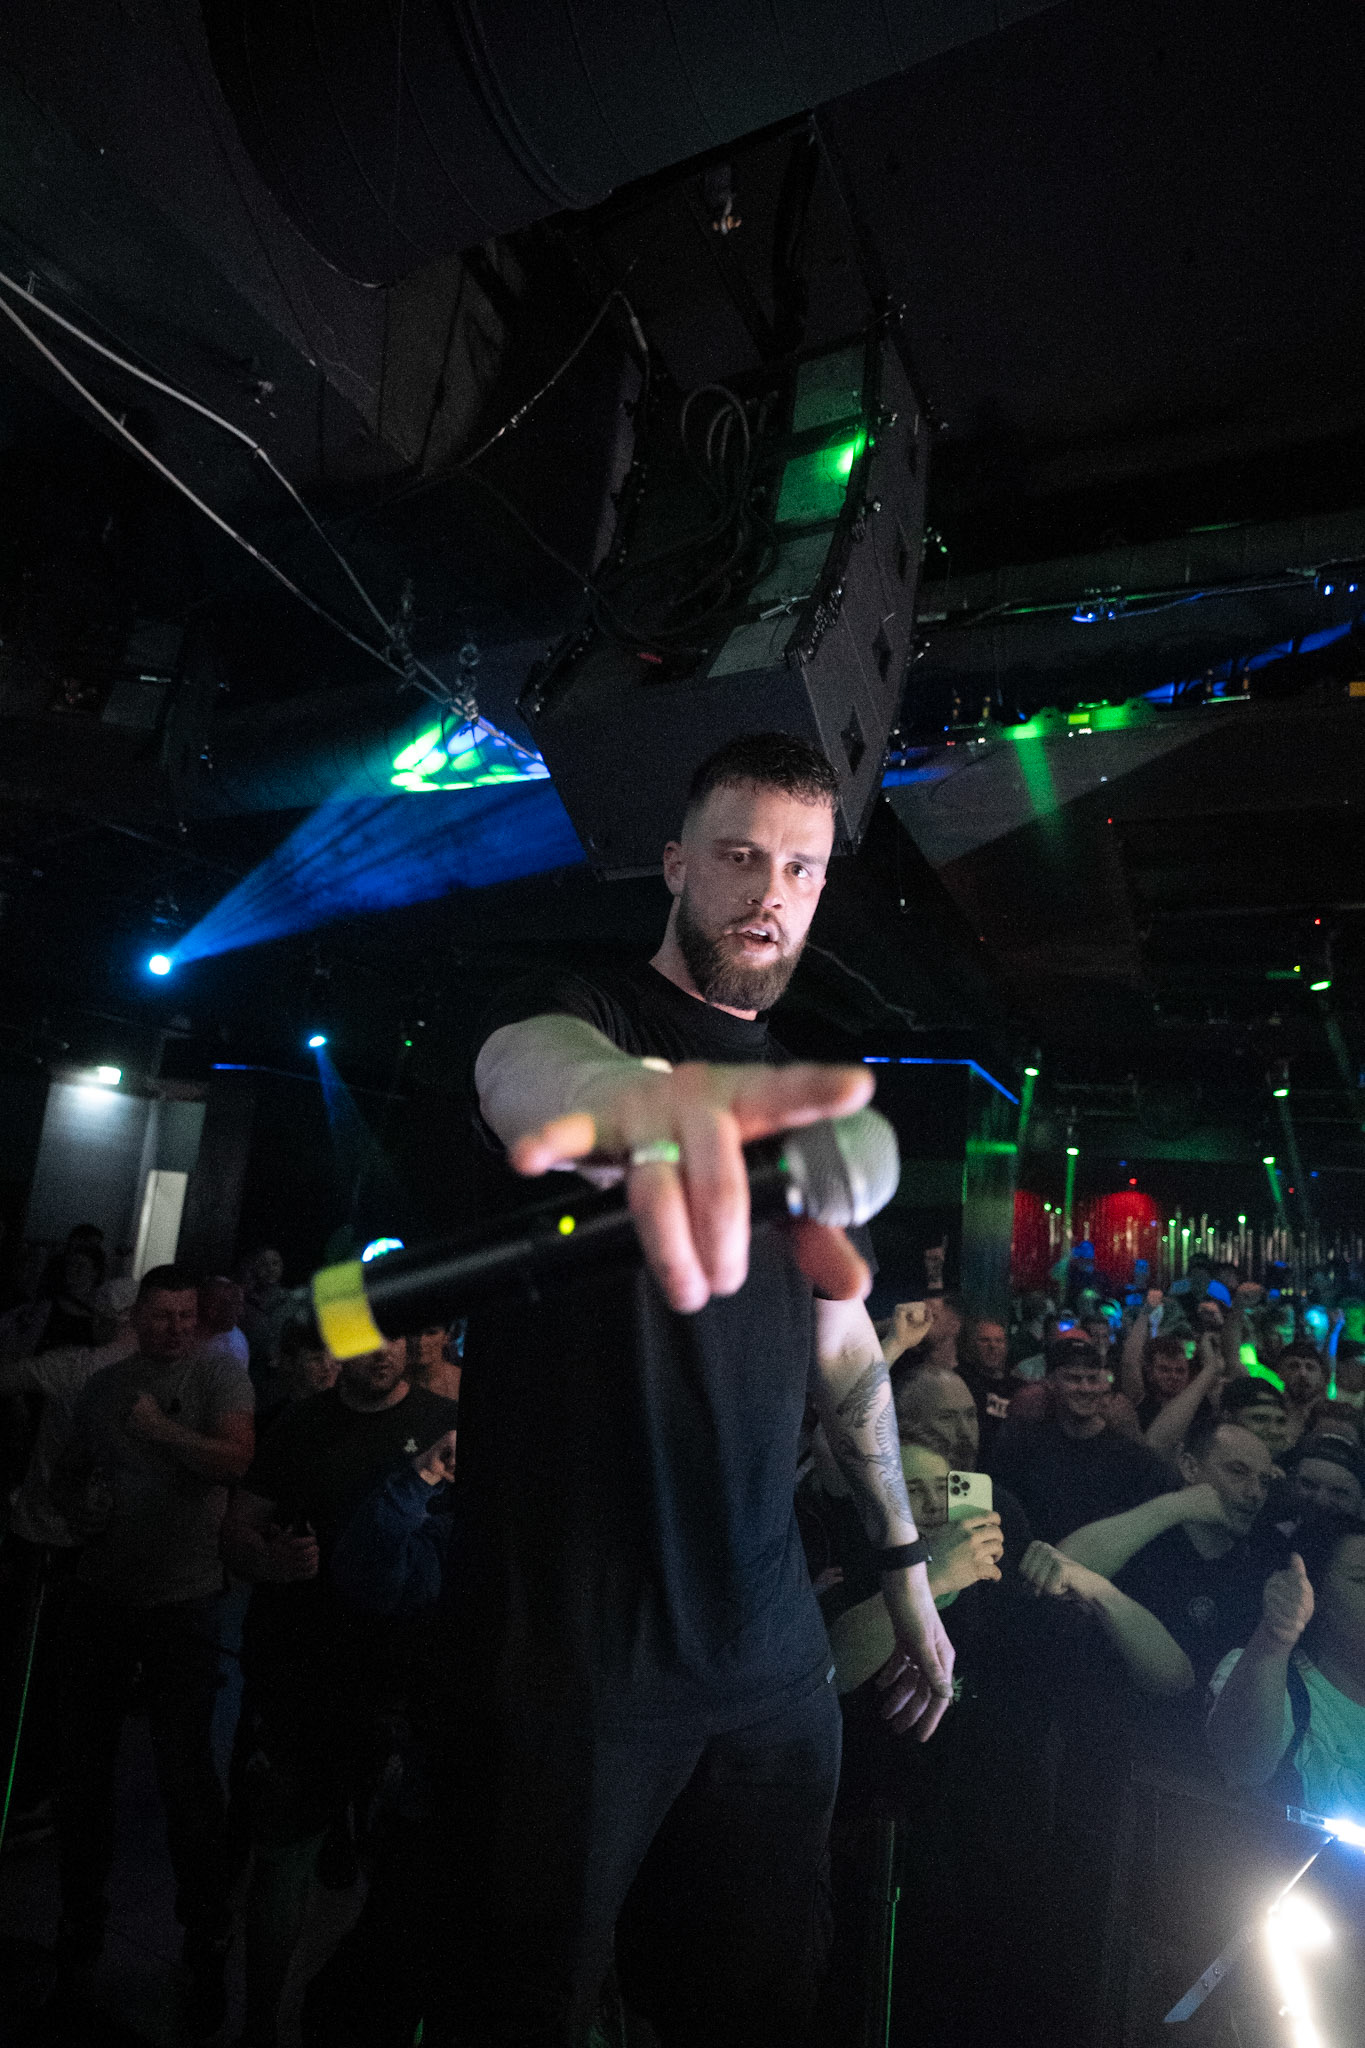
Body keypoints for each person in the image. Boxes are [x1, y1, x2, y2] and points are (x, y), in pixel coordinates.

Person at [459, 732, 952, 2046]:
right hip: (581, 1669)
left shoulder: (794, 1099)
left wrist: (907, 1576)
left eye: (801, 867)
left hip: (770, 1660)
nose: (769, 891)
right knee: (532, 2007)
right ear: (677, 864)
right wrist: (636, 1105)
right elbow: (529, 1077)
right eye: (740, 855)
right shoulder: (579, 1011)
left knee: (755, 2006)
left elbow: (846, 1352)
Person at [220, 1335, 458, 2048]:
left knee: (396, 1877)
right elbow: (237, 1531)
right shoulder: (303, 1423)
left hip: (403, 1682)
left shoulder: (445, 1421)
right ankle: (260, 2026)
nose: (382, 1351)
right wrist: (267, 1559)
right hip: (304, 1666)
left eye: (395, 1336)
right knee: (284, 1854)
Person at [49, 1265, 255, 2032]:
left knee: (185, 1775)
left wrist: (164, 1432)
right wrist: (79, 1506)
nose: (171, 1328)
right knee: (83, 1771)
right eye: (160, 1315)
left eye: (183, 1316)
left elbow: (237, 1460)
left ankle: (204, 1939)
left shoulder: (219, 1376)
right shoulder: (104, 1387)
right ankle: (80, 1925)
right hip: (103, 1593)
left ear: (198, 1320)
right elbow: (71, 1474)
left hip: (183, 1599)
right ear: (137, 1316)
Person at [1058, 1410, 1281, 1685]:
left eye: (1264, 1481)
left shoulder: (1261, 1562)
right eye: (1238, 1472)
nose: (1255, 1492)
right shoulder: (1141, 1530)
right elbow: (1059, 1565)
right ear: (1189, 1467)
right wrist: (1177, 1506)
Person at [1206, 1509, 1365, 1823]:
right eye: (1363, 1579)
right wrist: (1273, 1638)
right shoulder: (1260, 1671)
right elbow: (1243, 1766)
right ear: (1314, 1591)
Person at [986, 1332, 1167, 1544]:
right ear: (1050, 1382)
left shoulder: (1126, 1453)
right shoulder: (1025, 1445)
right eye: (1073, 1378)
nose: (1085, 1388)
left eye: (1093, 1379)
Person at [956, 1315, 1012, 1451]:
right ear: (971, 1345)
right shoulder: (960, 1382)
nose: (993, 1346)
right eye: (984, 1340)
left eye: (999, 1341)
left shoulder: (1017, 1387)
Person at [1281, 1344, 1329, 1449]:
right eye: (1294, 1366)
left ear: (1322, 1376)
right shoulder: (1271, 1411)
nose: (1302, 1374)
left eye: (1310, 1368)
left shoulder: (1333, 1416)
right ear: (1280, 1372)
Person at [196, 1275, 249, 1370]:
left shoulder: (232, 1349)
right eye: (233, 1306)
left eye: (239, 1305)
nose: (240, 1312)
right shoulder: (186, 1328)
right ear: (213, 1311)